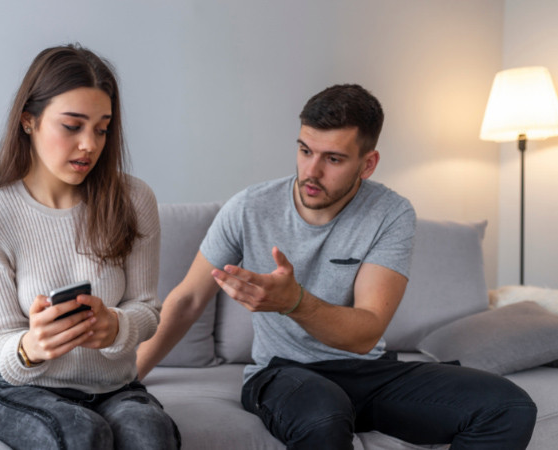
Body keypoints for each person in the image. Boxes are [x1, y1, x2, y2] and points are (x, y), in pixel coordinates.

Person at [137, 84, 536, 449]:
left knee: (509, 406)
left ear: (368, 163)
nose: (311, 171)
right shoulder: (249, 207)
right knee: (324, 414)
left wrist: (294, 302)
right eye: (305, 150)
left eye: (333, 159)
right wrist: (129, 374)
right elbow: (188, 300)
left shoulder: (390, 213)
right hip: (282, 374)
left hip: (368, 372)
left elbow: (365, 332)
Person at [0, 44, 180, 450]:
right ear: (29, 121)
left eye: (101, 128)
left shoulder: (133, 200)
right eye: (72, 126)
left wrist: (117, 325)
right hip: (26, 391)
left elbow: (148, 309)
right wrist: (32, 346)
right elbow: (0, 347)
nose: (89, 145)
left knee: (150, 434)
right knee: (82, 433)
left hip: (115, 387)